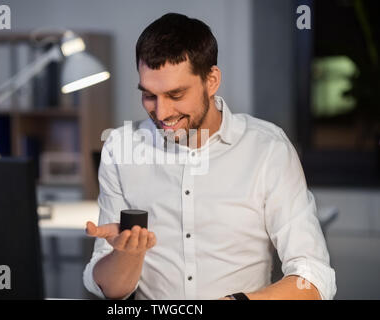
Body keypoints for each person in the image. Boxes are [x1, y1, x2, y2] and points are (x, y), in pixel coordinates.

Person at [83, 12, 336, 300]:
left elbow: (314, 277)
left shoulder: (267, 148)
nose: (162, 113)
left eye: (176, 95)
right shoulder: (120, 147)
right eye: (150, 95)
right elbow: (112, 291)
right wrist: (127, 256)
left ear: (212, 80)